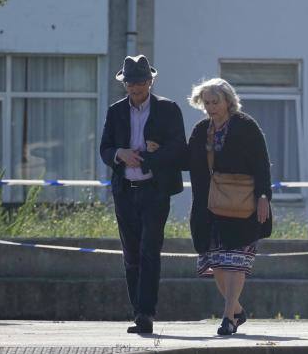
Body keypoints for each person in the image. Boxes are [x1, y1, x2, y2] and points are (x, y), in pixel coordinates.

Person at [99, 55, 186, 334]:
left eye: (140, 82)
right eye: (130, 83)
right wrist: (119, 154)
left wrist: (153, 155)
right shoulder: (115, 111)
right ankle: (137, 310)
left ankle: (146, 313)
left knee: (150, 250)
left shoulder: (168, 110)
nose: (135, 88)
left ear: (150, 81)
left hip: (155, 190)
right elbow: (105, 149)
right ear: (124, 84)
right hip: (125, 191)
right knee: (131, 253)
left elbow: (179, 151)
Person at [181, 77, 273, 336]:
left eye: (215, 102)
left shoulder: (246, 126)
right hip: (208, 208)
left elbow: (262, 164)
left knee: (236, 263)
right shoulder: (201, 130)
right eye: (206, 102)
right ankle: (236, 309)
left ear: (228, 101)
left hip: (242, 207)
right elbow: (188, 160)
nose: (211, 107)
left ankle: (227, 318)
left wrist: (264, 195)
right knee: (217, 265)